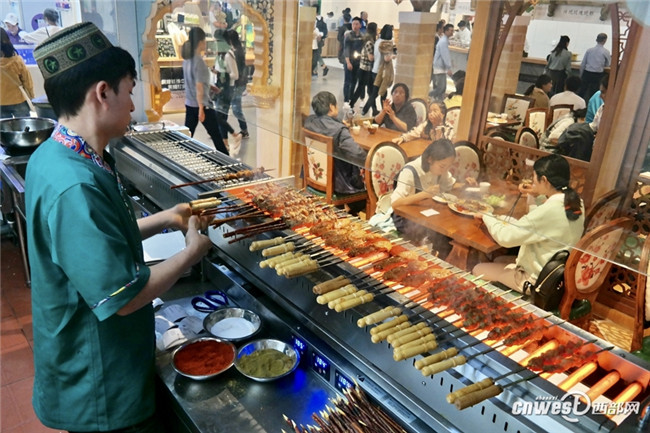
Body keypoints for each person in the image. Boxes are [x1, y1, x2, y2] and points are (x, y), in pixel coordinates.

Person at [26, 22, 212, 432]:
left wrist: (166, 218)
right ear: (102, 92)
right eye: (129, 91)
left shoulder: (58, 155)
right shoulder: (75, 186)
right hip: (101, 385)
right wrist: (190, 253)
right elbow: (124, 297)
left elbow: (100, 238)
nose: (131, 105)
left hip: (87, 364)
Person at [473, 154, 584, 292]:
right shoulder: (575, 202)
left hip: (536, 282)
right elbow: (541, 222)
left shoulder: (548, 211)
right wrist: (535, 195)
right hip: (556, 277)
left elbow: (505, 238)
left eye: (534, 178)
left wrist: (487, 216)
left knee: (478, 269)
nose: (533, 182)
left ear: (544, 180)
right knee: (498, 260)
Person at [389, 138, 459, 255]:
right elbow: (395, 204)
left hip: (426, 216)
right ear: (430, 159)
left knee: (447, 236)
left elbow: (451, 184)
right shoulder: (410, 171)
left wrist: (469, 185)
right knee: (439, 237)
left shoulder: (440, 170)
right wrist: (424, 194)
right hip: (405, 219)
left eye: (448, 167)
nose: (445, 171)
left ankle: (441, 258)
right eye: (442, 166)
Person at [304, 91, 367, 214]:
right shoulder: (339, 131)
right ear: (331, 107)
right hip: (339, 185)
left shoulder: (309, 122)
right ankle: (350, 214)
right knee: (370, 187)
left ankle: (342, 213)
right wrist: (371, 161)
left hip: (315, 178)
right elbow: (358, 155)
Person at [181, 27, 229, 155]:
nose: (205, 43)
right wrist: (201, 109)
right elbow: (199, 87)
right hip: (202, 106)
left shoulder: (186, 60)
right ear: (200, 42)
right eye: (204, 40)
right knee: (216, 136)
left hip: (190, 104)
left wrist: (210, 87)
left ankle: (181, 158)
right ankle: (227, 162)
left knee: (187, 136)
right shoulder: (199, 62)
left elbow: (195, 82)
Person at [212, 30, 243, 157]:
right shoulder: (220, 55)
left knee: (218, 117)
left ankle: (234, 136)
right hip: (219, 89)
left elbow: (235, 75)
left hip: (226, 90)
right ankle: (225, 144)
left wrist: (220, 74)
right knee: (221, 117)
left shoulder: (228, 55)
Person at [0, 28, 34, 119]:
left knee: (4, 128)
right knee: (24, 125)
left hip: (1, 102)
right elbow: (27, 80)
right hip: (19, 100)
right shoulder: (17, 60)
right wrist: (31, 96)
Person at [362, 24, 393, 116]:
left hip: (375, 69)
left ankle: (376, 111)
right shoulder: (386, 43)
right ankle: (367, 109)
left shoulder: (378, 41)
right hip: (382, 72)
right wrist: (393, 56)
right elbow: (387, 58)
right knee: (379, 93)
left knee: (377, 92)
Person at [224, 29, 249, 138]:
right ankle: (222, 129)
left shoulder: (235, 52)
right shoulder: (238, 50)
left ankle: (244, 129)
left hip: (237, 83)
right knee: (230, 107)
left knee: (236, 108)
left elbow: (235, 71)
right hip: (238, 82)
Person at [350, 22, 376, 109]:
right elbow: (370, 58)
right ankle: (352, 104)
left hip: (363, 68)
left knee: (367, 89)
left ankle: (373, 108)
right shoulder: (370, 42)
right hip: (366, 69)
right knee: (365, 89)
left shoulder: (366, 40)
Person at [579, 33, 611, 102]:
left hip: (587, 73)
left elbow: (583, 63)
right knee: (594, 93)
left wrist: (581, 75)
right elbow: (608, 64)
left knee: (582, 92)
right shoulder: (606, 52)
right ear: (605, 40)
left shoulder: (589, 50)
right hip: (597, 75)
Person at [431, 24, 454, 101]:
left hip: (440, 67)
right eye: (451, 30)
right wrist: (448, 68)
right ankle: (427, 96)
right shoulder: (443, 41)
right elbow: (445, 55)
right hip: (439, 67)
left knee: (440, 88)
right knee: (440, 88)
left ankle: (438, 102)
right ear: (446, 31)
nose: (452, 32)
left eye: (452, 30)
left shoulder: (444, 40)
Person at [343, 17, 363, 104]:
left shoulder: (362, 37)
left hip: (358, 62)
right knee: (347, 81)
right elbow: (346, 49)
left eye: (356, 24)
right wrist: (348, 62)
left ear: (360, 25)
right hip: (349, 61)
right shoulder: (348, 36)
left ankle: (351, 98)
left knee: (354, 81)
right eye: (353, 24)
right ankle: (346, 100)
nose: (354, 26)